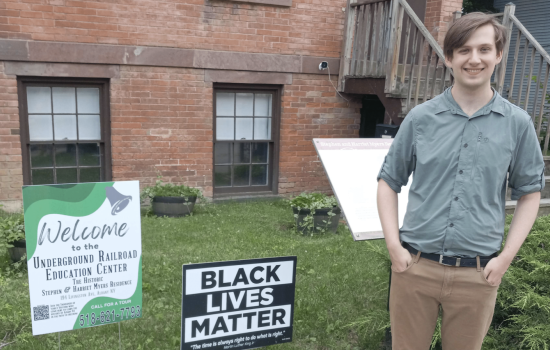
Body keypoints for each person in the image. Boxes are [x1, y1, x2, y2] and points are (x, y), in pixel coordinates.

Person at [376, 12, 545, 350]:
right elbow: (388, 181)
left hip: (478, 275)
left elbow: (530, 194)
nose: (474, 59)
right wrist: (394, 247)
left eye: (484, 49)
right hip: (415, 268)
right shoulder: (421, 119)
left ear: (498, 55)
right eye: (464, 50)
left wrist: (505, 259)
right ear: (449, 57)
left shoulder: (518, 124)